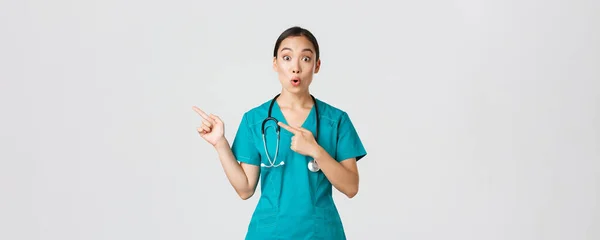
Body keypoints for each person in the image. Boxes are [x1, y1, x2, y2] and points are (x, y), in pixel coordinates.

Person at [192, 26, 367, 240]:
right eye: (286, 58)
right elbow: (245, 189)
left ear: (317, 66)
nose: (295, 68)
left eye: (305, 59)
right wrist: (220, 143)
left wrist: (316, 150)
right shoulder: (255, 120)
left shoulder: (336, 120)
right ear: (275, 63)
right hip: (268, 233)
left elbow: (351, 187)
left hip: (320, 233)